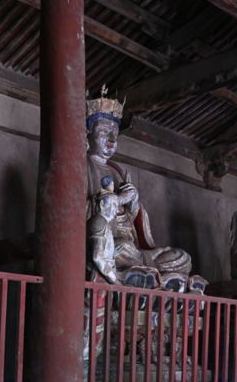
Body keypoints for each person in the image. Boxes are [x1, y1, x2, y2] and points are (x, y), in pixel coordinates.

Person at [85, 88, 205, 293]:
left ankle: (146, 274)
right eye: (104, 132)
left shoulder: (119, 170)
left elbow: (136, 223)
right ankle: (142, 277)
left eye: (115, 133)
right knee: (122, 247)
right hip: (111, 244)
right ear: (88, 134)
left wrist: (133, 204)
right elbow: (81, 211)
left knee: (183, 258)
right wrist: (118, 199)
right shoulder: (82, 166)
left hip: (135, 250)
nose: (112, 140)